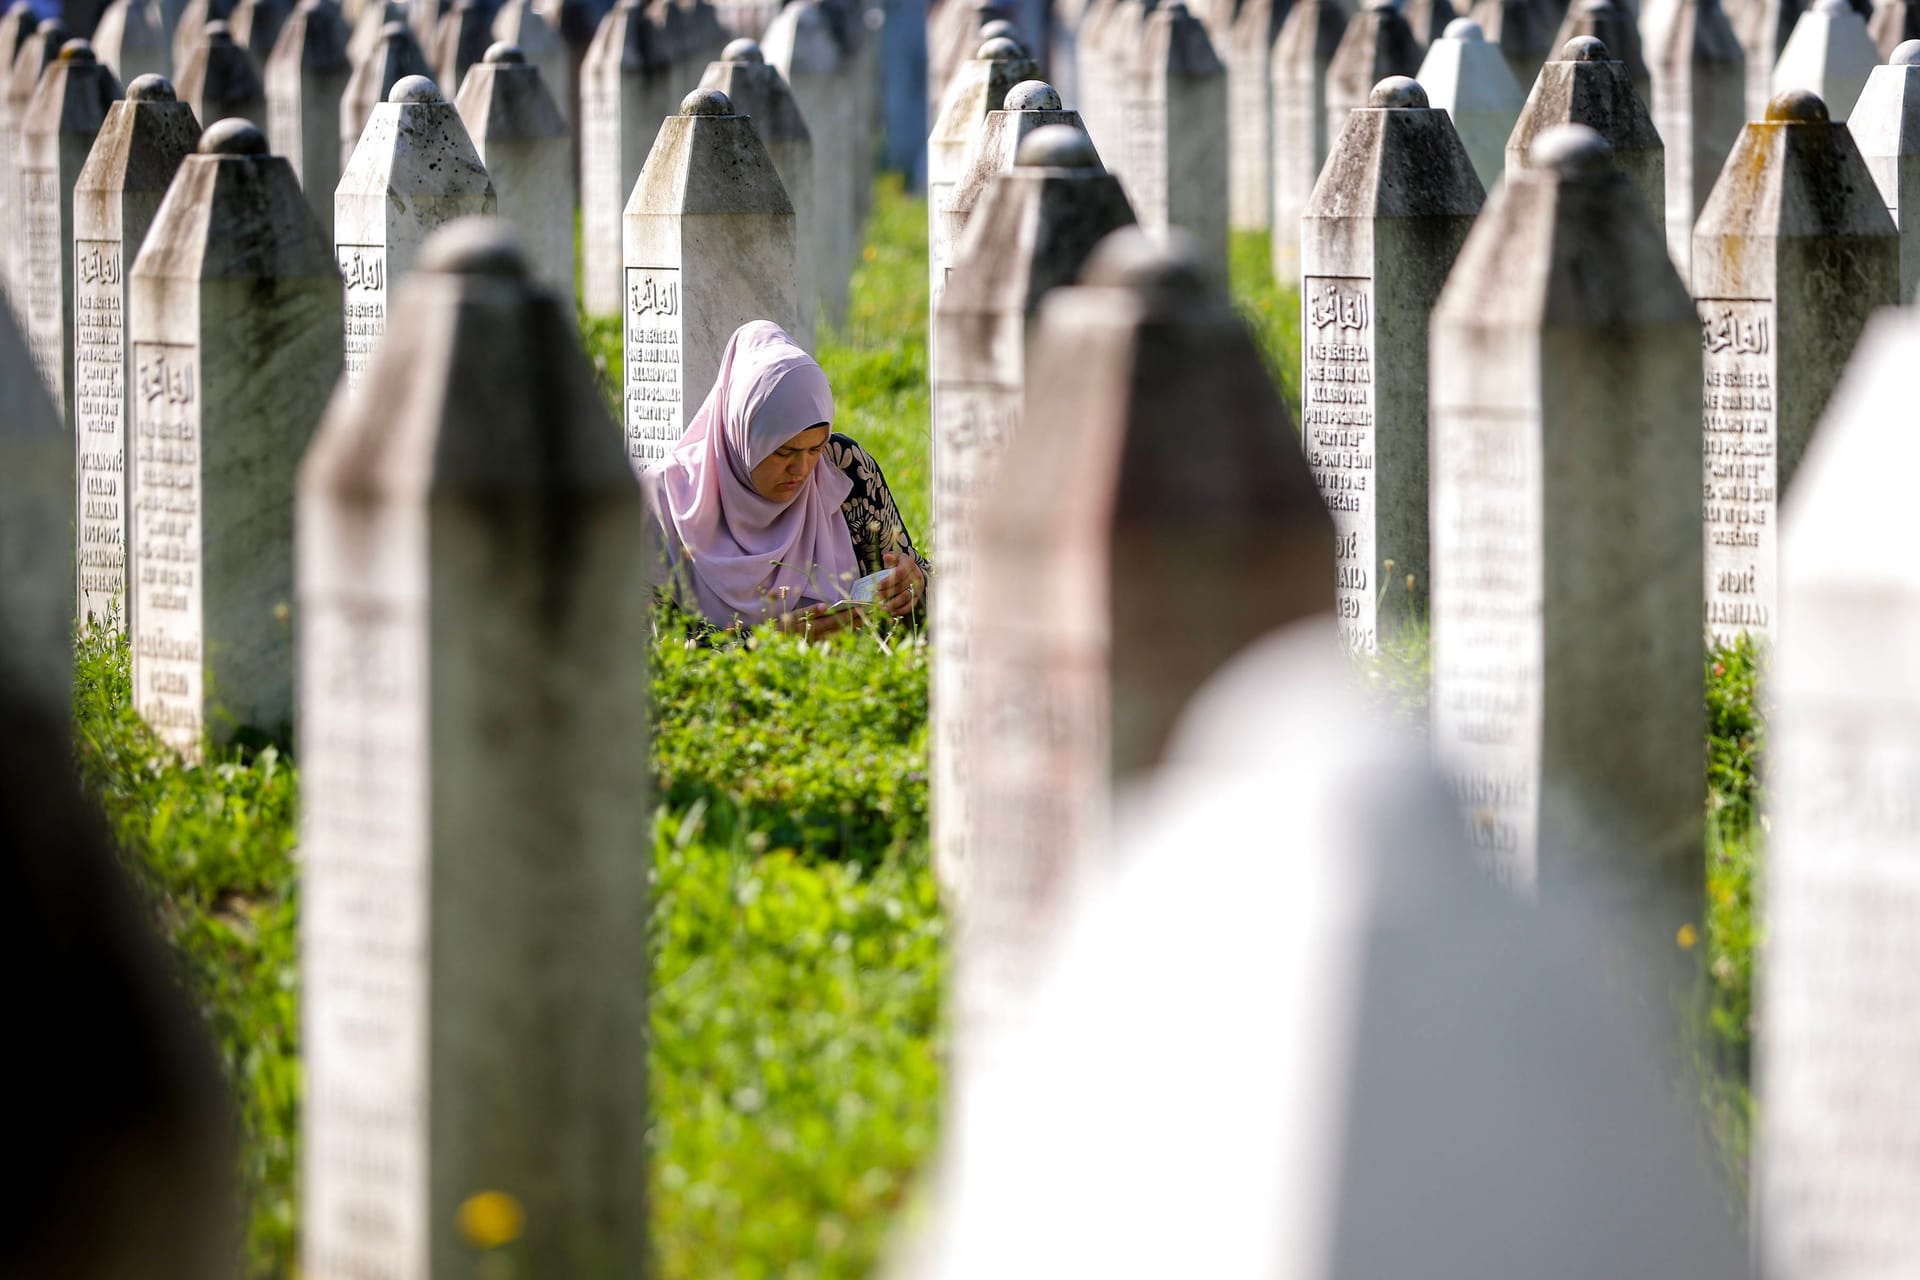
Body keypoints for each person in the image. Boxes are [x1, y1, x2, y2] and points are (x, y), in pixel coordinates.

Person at [642, 321, 929, 635]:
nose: (802, 469)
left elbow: (918, 587)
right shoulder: (662, 501)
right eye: (783, 453)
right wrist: (768, 644)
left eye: (814, 448)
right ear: (742, 437)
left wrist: (913, 584)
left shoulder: (844, 468)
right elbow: (644, 652)